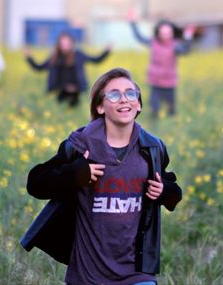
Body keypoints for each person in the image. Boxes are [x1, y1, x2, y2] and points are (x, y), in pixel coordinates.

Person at [21, 67, 182, 285]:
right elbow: (36, 183)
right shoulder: (80, 145)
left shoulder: (152, 148)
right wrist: (75, 174)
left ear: (139, 104)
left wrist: (165, 191)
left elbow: (173, 189)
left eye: (130, 93)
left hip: (136, 273)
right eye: (114, 94)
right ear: (100, 106)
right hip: (87, 275)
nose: (124, 99)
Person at [128, 10, 195, 117]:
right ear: (158, 33)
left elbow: (185, 50)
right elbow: (139, 37)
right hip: (155, 82)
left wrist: (188, 36)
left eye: (168, 33)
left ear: (172, 33)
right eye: (163, 33)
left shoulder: (175, 45)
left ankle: (171, 130)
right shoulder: (153, 42)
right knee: (154, 111)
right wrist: (132, 22)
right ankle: (155, 129)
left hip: (169, 83)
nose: (165, 35)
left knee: (171, 111)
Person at [24, 32, 111, 107]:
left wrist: (107, 51)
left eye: (67, 43)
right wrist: (29, 57)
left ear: (71, 43)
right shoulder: (55, 57)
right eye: (62, 43)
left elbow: (96, 60)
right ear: (59, 44)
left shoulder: (78, 55)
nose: (65, 46)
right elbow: (39, 68)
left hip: (77, 94)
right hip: (59, 94)